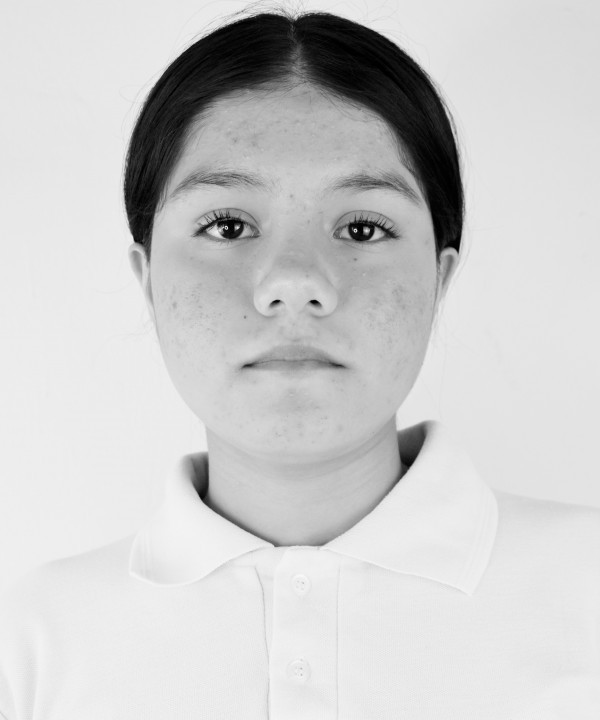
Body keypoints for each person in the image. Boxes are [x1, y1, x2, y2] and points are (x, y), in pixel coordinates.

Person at [1, 5, 599, 719]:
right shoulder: (33, 641)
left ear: (439, 278)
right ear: (148, 278)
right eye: (228, 225)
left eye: (363, 227)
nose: (293, 282)